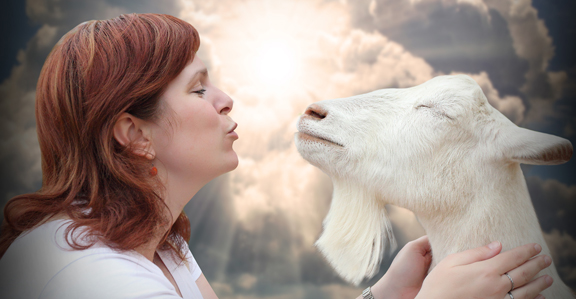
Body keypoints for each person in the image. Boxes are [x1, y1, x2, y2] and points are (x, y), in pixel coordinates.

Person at [0, 13, 553, 299]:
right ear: (133, 133)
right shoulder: (99, 281)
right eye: (197, 90)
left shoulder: (156, 247)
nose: (224, 100)